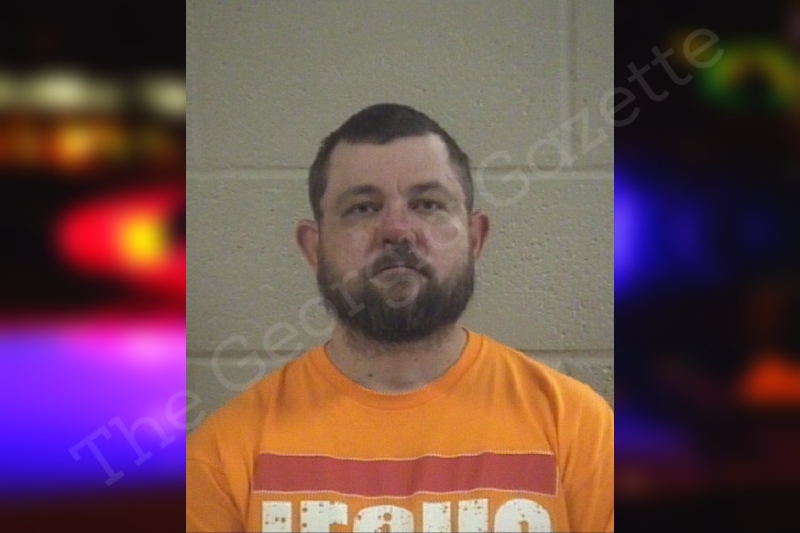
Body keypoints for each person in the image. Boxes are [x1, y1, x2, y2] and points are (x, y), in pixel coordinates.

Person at [186, 103, 614, 532]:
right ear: (315, 248)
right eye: (362, 208)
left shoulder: (581, 431)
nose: (397, 231)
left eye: (427, 204)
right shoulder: (224, 454)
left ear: (475, 239)